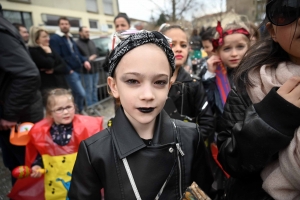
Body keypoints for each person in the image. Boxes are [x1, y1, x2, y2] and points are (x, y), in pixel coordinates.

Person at [68, 31, 213, 199]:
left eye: (159, 82)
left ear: (169, 86)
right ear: (113, 86)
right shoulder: (94, 150)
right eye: (132, 81)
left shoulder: (190, 137)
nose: (147, 95)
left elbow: (206, 191)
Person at [217, 0, 300, 199]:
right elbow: (230, 159)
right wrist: (272, 119)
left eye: (240, 46)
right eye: (288, 11)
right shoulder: (248, 85)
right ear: (272, 31)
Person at [8, 88, 104, 199]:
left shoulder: (87, 127)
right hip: (55, 186)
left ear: (75, 107)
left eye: (68, 107)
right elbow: (40, 155)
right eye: (59, 109)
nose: (65, 112)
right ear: (50, 113)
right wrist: (36, 166)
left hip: (83, 183)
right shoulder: (42, 132)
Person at [0, 4, 43, 185]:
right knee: (17, 169)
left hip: (16, 119)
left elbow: (28, 74)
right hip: (14, 115)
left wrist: (10, 114)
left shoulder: (2, 32)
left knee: (29, 171)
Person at [161, 25, 215, 140]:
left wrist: (187, 144)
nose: (179, 49)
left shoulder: (193, 84)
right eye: (172, 44)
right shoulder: (148, 84)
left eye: (183, 45)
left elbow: (207, 123)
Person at [50, 17, 91, 113]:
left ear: (69, 25)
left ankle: (75, 112)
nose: (64, 26)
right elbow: (58, 57)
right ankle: (79, 111)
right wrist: (68, 70)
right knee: (81, 93)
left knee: (76, 94)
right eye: (62, 24)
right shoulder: (55, 39)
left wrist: (85, 61)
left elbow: (76, 53)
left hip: (78, 69)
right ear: (59, 25)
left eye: (66, 24)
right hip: (69, 72)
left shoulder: (70, 37)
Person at [28, 26, 69, 95]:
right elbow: (49, 64)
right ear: (36, 39)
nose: (48, 39)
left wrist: (54, 70)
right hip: (48, 88)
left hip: (60, 84)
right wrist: (48, 53)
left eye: (48, 36)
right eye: (44, 37)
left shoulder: (49, 48)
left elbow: (63, 65)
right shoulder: (33, 51)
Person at [76, 26, 99, 106]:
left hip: (95, 69)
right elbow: (78, 57)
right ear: (80, 33)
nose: (88, 33)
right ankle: (90, 106)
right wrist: (88, 59)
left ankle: (95, 104)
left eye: (88, 32)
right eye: (86, 32)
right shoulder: (77, 44)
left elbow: (96, 52)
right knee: (88, 89)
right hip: (86, 72)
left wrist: (95, 56)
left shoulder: (91, 42)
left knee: (95, 88)